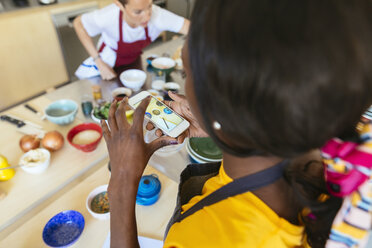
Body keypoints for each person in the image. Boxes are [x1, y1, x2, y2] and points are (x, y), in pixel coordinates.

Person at [102, 0, 372, 247]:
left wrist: (123, 184)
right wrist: (225, 130)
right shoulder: (330, 146)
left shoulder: (206, 238)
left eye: (187, 71)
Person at [73, 0, 189, 80]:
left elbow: (193, 30)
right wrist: (98, 61)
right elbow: (78, 23)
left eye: (149, 6)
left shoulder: (158, 15)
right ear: (119, 5)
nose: (147, 16)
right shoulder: (108, 16)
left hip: (134, 61)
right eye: (138, 12)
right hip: (107, 64)